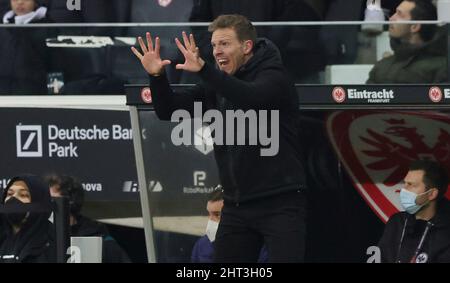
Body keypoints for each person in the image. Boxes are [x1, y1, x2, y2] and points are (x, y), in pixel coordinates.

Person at [132, 14, 307, 262]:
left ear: (246, 47)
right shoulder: (216, 85)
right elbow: (168, 110)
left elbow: (250, 98)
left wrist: (204, 70)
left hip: (280, 202)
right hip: (236, 205)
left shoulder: (274, 77)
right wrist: (157, 77)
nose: (216, 51)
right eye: (213, 45)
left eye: (224, 44)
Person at [46, 174, 131, 263]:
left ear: (70, 201)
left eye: (52, 200)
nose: (47, 205)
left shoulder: (97, 237)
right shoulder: (42, 238)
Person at [378, 160, 450, 263]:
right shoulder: (397, 221)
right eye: (405, 183)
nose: (404, 189)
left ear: (431, 194)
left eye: (411, 185)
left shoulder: (446, 232)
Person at [366, 0, 447, 83]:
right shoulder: (382, 66)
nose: (391, 18)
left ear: (414, 27)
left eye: (399, 14)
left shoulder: (441, 67)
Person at [191, 188, 268, 263]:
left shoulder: (262, 247)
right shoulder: (202, 244)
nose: (211, 221)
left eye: (217, 214)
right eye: (209, 214)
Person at [0, 174, 55, 263]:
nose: (13, 199)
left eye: (23, 195)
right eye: (9, 194)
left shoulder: (53, 243)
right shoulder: (2, 237)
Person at [0, 0, 50, 95]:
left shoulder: (48, 26)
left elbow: (54, 64)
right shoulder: (4, 27)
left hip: (34, 94)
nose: (19, 2)